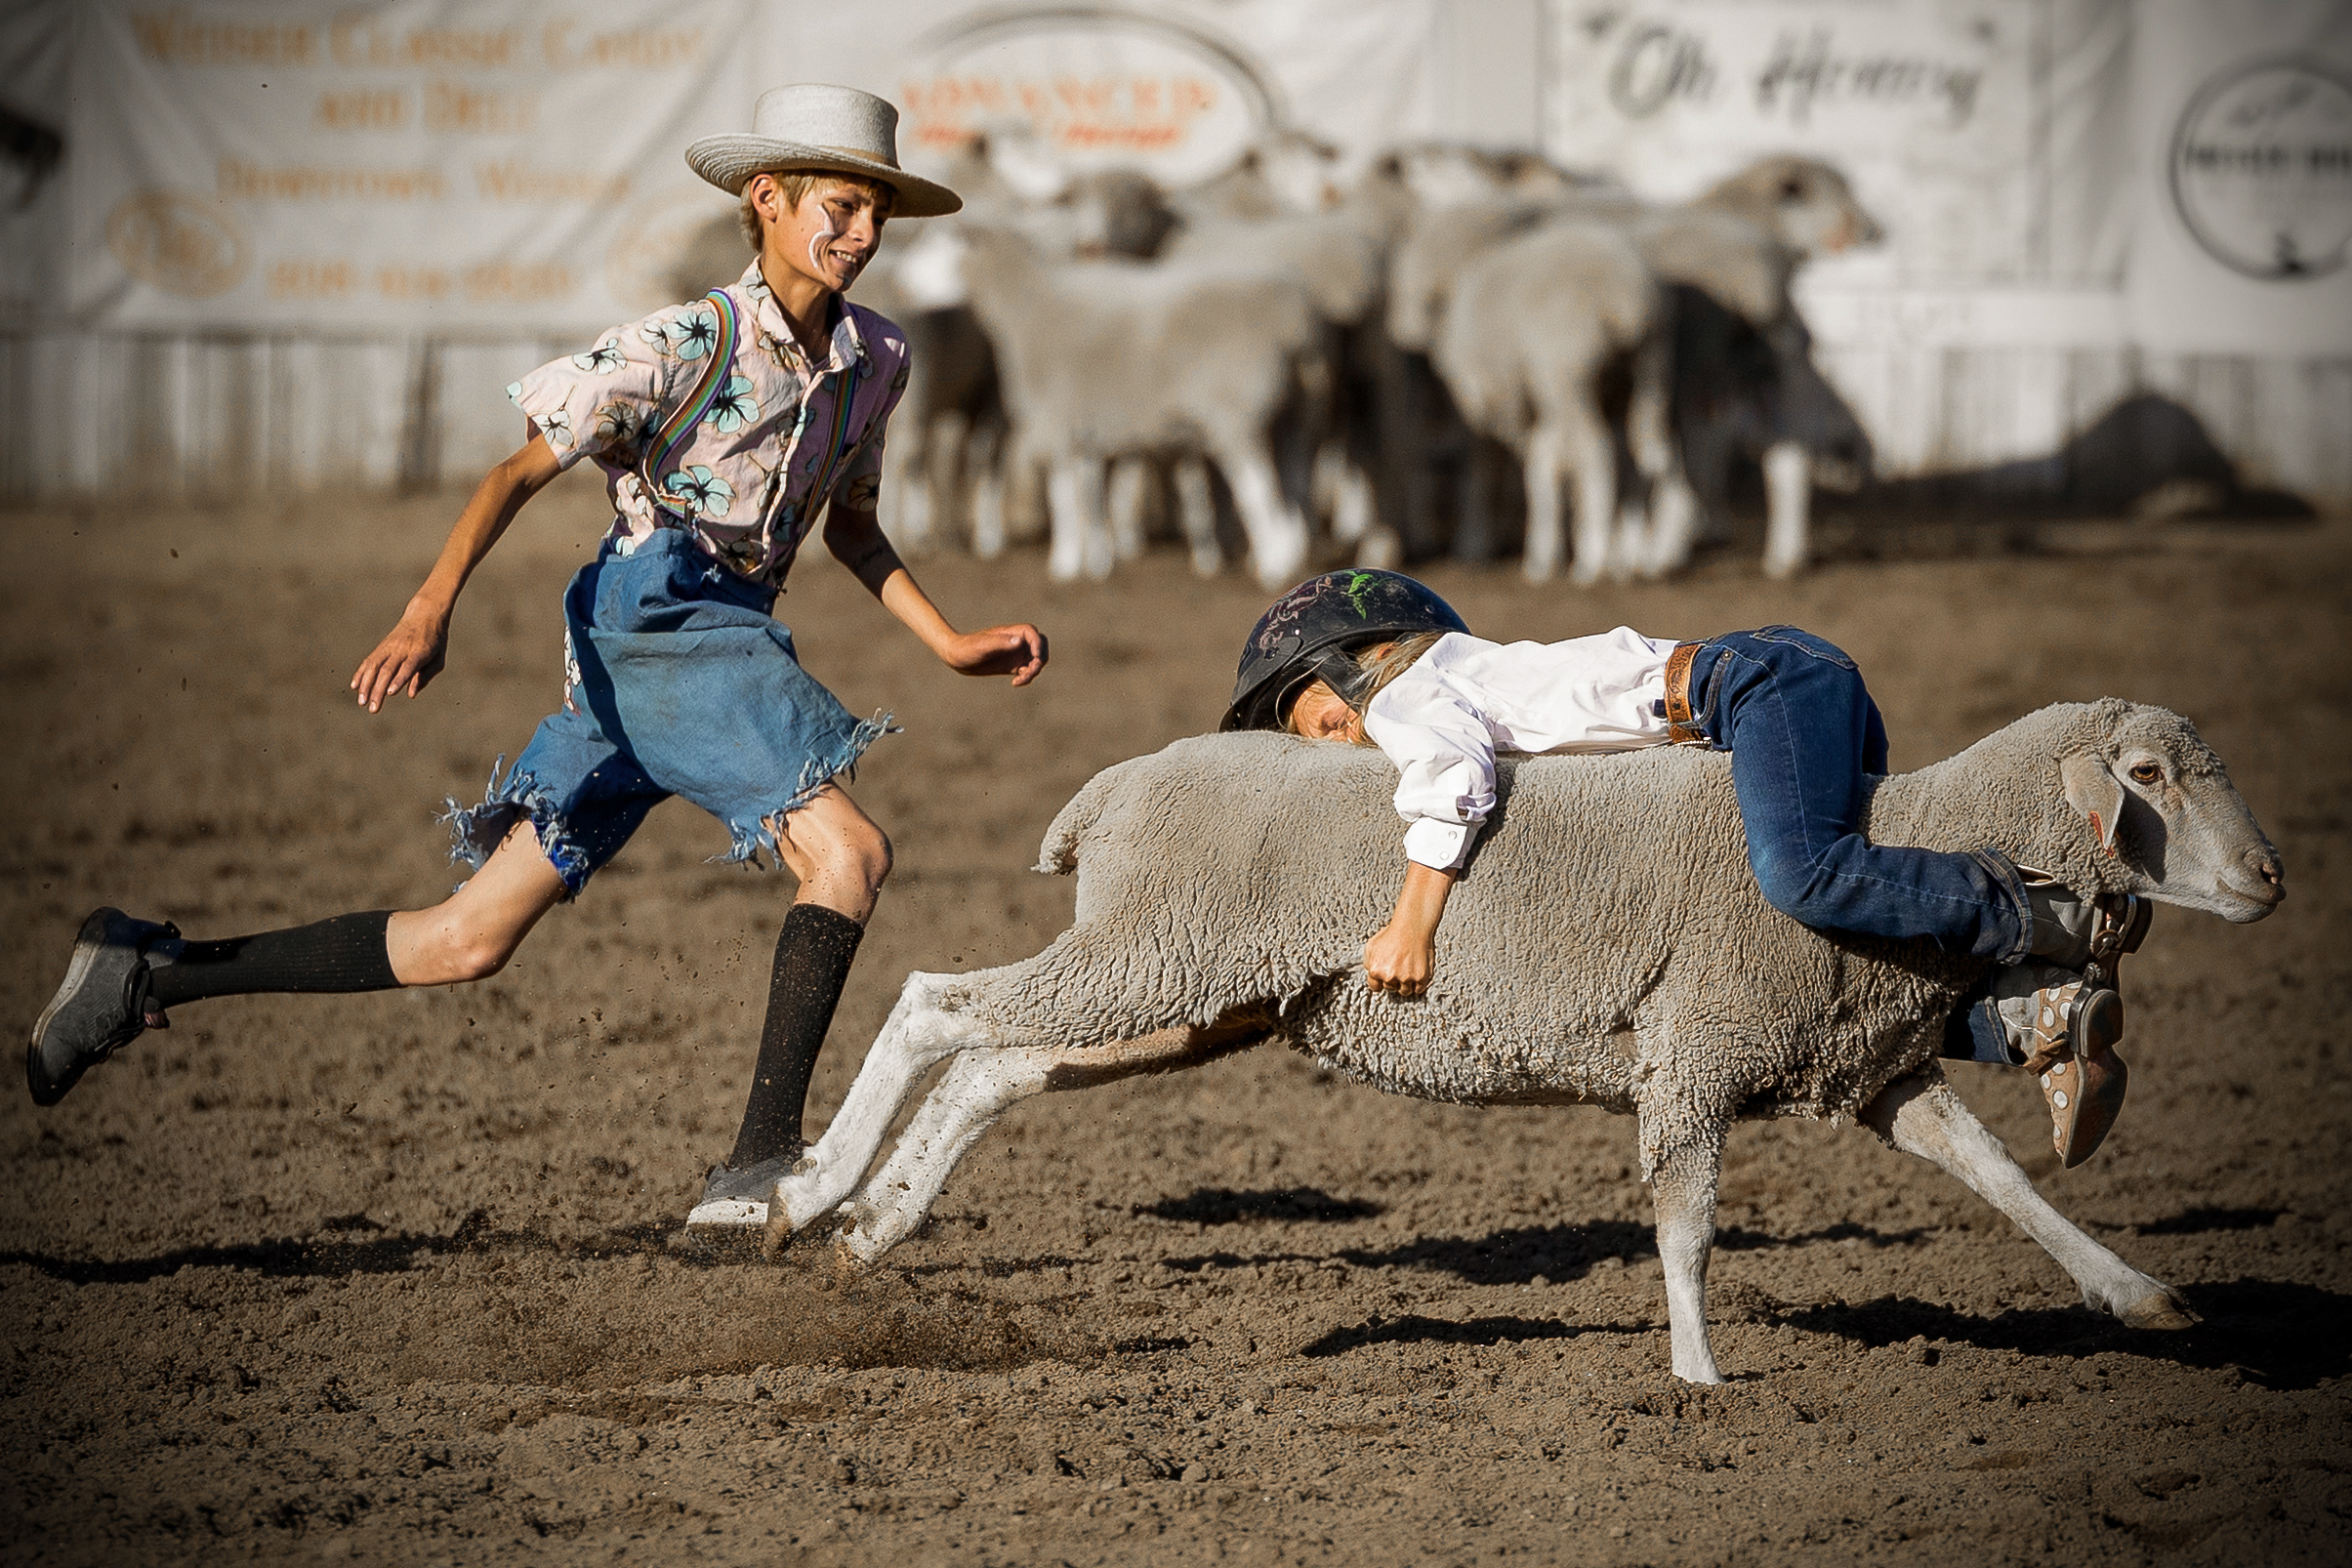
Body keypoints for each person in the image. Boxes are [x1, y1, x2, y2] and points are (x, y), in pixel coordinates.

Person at [25, 84, 1048, 1243]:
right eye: (841, 207)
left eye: (876, 216)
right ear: (767, 200)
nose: (861, 237)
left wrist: (950, 639)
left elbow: (852, 528)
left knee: (463, 938)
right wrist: (427, 609)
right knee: (850, 853)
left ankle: (145, 972)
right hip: (654, 629)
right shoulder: (681, 343)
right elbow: (518, 471)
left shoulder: (880, 360)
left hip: (710, 645)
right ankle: (755, 1161)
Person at [1220, 570, 2147, 1168]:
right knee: (1805, 966)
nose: (1347, 749)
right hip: (1768, 688)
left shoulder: (1407, 697)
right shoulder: (1459, 676)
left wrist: (1411, 922)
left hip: (1756, 685)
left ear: (1350, 669)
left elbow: (1448, 782)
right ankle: (2032, 1019)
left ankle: (2055, 917)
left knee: (1803, 877)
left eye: (1324, 723)